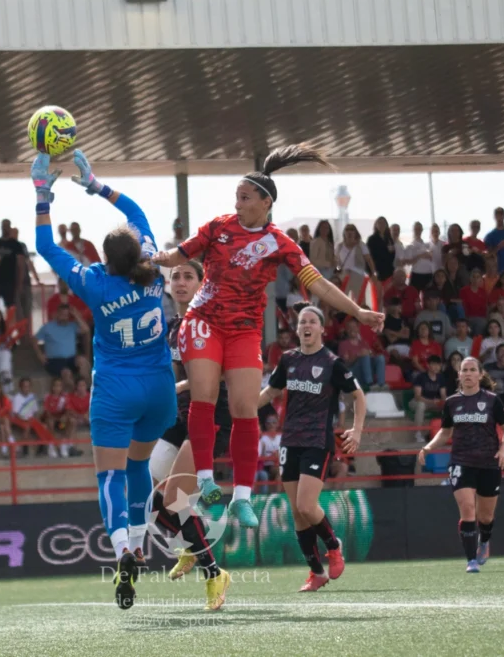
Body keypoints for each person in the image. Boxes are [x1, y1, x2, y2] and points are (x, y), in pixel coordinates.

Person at [153, 144, 384, 528]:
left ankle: (242, 497)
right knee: (205, 396)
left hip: (244, 330)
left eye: (245, 198)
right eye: (237, 197)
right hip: (205, 321)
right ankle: (208, 481)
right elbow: (181, 253)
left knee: (245, 408)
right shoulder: (218, 227)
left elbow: (319, 284)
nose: (238, 204)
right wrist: (157, 259)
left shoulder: (280, 243)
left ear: (265, 203)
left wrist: (357, 311)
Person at [32, 149, 184, 611]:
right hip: (158, 390)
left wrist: (43, 195)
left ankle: (123, 551)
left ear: (105, 259)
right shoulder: (155, 267)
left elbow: (45, 248)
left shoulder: (96, 283)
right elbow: (135, 212)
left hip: (115, 391)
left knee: (108, 475)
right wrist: (94, 183)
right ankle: (139, 542)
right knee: (138, 467)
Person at [258, 304, 366, 591]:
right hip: (289, 440)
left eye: (311, 322)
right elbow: (271, 391)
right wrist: (243, 409)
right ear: (297, 330)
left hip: (318, 440)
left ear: (321, 328)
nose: (306, 326)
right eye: (302, 322)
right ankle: (316, 573)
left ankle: (333, 545)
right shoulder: (288, 359)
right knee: (296, 511)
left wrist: (356, 429)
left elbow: (358, 395)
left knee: (307, 505)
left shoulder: (332, 362)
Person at [147, 261, 234, 607]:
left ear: (201, 283)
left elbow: (222, 372)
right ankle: (191, 545)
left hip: (208, 414)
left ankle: (215, 573)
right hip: (177, 416)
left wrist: (177, 386)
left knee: (173, 498)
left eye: (188, 276)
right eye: (175, 277)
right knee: (144, 493)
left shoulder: (211, 323)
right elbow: (169, 376)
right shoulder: (172, 327)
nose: (180, 282)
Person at [418, 357, 504, 573]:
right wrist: (428, 448)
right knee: (468, 508)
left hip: (489, 462)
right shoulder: (452, 402)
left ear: (480, 374)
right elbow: (445, 432)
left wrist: (503, 450)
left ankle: (484, 541)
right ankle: (471, 560)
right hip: (461, 462)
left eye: (472, 370)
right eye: (464, 370)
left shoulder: (492, 400)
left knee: (486, 517)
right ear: (459, 375)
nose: (468, 373)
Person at [0, 219, 26, 311]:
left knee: (11, 308)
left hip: (9, 282)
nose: (5, 228)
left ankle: (10, 325)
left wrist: (20, 284)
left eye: (7, 226)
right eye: (3, 226)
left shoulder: (16, 245)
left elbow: (21, 266)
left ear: (10, 227)